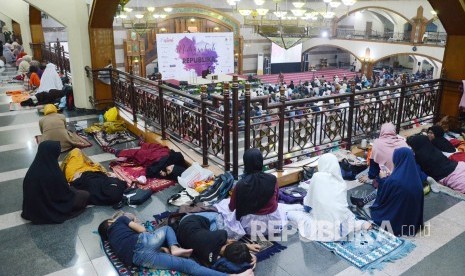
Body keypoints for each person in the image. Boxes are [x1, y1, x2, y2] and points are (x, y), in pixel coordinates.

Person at [98, 213, 253, 276]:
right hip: (141, 243)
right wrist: (134, 222)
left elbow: (128, 247)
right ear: (110, 222)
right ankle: (174, 247)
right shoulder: (119, 221)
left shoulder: (111, 241)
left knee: (188, 267)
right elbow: (142, 230)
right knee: (165, 229)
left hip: (138, 259)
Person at [287, 153, 371, 242]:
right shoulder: (341, 182)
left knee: (290, 214)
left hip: (324, 227)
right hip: (340, 226)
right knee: (345, 216)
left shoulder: (317, 177)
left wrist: (309, 210)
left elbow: (308, 205)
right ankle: (360, 224)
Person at [21, 141, 89, 224]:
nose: (59, 155)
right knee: (85, 195)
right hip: (49, 207)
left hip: (32, 209)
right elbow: (64, 195)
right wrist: (73, 181)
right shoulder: (53, 172)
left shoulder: (34, 167)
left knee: (75, 191)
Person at [370, 148, 424, 236]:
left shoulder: (394, 180)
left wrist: (382, 179)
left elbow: (383, 195)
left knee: (375, 210)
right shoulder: (416, 176)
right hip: (412, 221)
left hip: (394, 221)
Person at [176, 214, 258, 272]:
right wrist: (251, 256)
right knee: (215, 220)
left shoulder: (221, 235)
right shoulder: (212, 260)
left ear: (230, 242)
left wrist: (247, 246)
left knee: (217, 216)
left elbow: (228, 240)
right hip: (181, 239)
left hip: (186, 222)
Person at [228, 148, 279, 234]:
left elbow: (231, 207)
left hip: (250, 227)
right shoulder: (273, 179)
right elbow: (276, 198)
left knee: (224, 210)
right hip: (273, 224)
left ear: (246, 164)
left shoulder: (240, 185)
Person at [61, 148, 126, 205]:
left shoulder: (113, 187)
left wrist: (76, 179)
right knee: (79, 155)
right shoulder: (106, 193)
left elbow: (72, 186)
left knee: (76, 152)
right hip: (91, 172)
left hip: (77, 174)